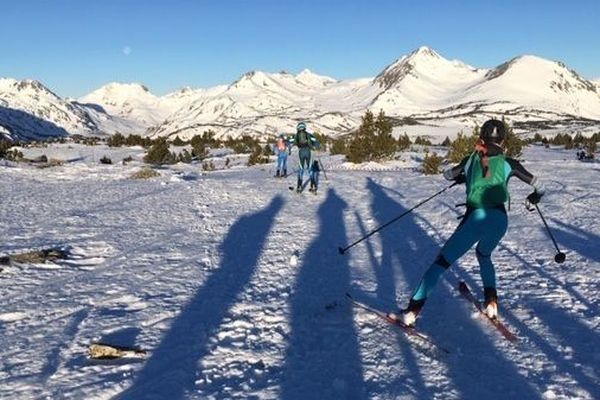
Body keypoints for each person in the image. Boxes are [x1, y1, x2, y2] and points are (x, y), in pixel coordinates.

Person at [390, 119, 545, 326]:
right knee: (484, 254)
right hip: (499, 220)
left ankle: (411, 313)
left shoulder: (471, 159)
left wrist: (465, 176)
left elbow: (447, 175)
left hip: (476, 218)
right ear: (503, 140)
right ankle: (491, 302)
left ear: (482, 138)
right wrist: (535, 197)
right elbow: (540, 186)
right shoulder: (509, 163)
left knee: (440, 264)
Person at [289, 122, 320, 192]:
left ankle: (299, 186)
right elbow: (317, 142)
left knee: (301, 168)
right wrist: (315, 147)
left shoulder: (296, 135)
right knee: (310, 168)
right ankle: (313, 185)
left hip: (301, 152)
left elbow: (290, 141)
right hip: (309, 152)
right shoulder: (309, 135)